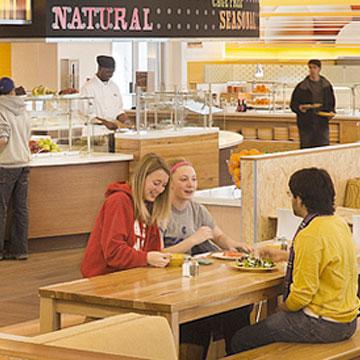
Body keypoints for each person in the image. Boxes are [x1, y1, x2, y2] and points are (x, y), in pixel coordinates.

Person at [230, 168, 359, 354]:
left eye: (291, 195)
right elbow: (327, 260)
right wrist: (285, 256)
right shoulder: (338, 224)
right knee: (267, 329)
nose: (291, 201)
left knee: (242, 339)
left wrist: (282, 307)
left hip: (323, 323)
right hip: (348, 320)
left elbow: (302, 295)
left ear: (300, 199)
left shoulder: (310, 235)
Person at [162, 159, 253, 359]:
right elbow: (160, 253)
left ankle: (236, 353)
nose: (190, 184)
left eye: (193, 180)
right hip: (172, 280)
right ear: (170, 182)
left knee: (237, 306)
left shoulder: (197, 208)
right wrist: (192, 240)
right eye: (184, 179)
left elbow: (218, 235)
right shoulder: (161, 212)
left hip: (201, 276)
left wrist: (232, 245)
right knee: (198, 314)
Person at [81, 153, 171, 277]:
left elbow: (153, 249)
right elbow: (113, 252)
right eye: (156, 183)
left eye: (164, 186)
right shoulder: (118, 201)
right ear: (141, 177)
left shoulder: (150, 206)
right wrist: (146, 258)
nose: (160, 190)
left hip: (132, 275)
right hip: (104, 278)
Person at [0, 77, 31, 260]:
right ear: (13, 91)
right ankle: (20, 250)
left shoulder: (1, 109)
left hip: (6, 163)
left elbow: (3, 139)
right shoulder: (23, 108)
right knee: (21, 208)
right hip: (24, 162)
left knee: (1, 208)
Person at [80, 55, 131, 152]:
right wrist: (105, 123)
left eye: (112, 72)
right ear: (100, 69)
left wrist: (126, 120)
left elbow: (118, 109)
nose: (110, 75)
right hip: (95, 134)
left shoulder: (114, 87)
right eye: (107, 72)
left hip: (112, 134)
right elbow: (87, 114)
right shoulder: (88, 87)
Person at [290, 59, 336, 149]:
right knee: (306, 149)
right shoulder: (302, 86)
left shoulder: (326, 86)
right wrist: (300, 108)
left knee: (322, 149)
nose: (312, 70)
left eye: (314, 67)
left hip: (322, 123)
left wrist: (331, 112)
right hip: (306, 123)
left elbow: (331, 103)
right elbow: (293, 104)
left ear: (319, 69)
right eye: (310, 68)